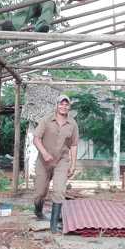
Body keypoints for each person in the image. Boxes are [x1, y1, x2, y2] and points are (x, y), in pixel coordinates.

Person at [33, 94, 79, 233]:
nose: (64, 106)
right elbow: (36, 139)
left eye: (66, 104)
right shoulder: (46, 120)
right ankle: (38, 211)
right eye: (61, 104)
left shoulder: (73, 124)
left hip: (61, 161)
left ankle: (53, 227)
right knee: (40, 192)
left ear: (69, 107)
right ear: (57, 105)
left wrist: (73, 165)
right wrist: (45, 153)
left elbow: (74, 145)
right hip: (43, 161)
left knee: (59, 191)